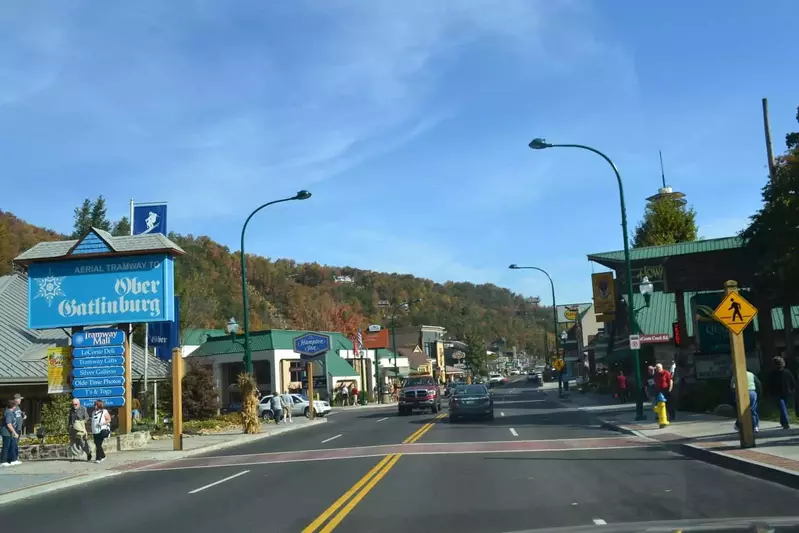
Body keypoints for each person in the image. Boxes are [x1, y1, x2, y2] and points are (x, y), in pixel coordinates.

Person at [771, 356, 795, 429]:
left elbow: (770, 383)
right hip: (786, 392)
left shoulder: (773, 373)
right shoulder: (787, 372)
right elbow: (792, 381)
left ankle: (784, 422)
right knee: (783, 407)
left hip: (778, 393)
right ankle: (784, 422)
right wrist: (792, 389)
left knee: (782, 407)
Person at [0, 400, 20, 467]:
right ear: (13, 406)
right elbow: (9, 424)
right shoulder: (8, 413)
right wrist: (14, 432)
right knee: (6, 446)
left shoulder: (10, 412)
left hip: (9, 432)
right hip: (6, 432)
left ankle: (13, 460)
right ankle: (3, 461)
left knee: (12, 446)